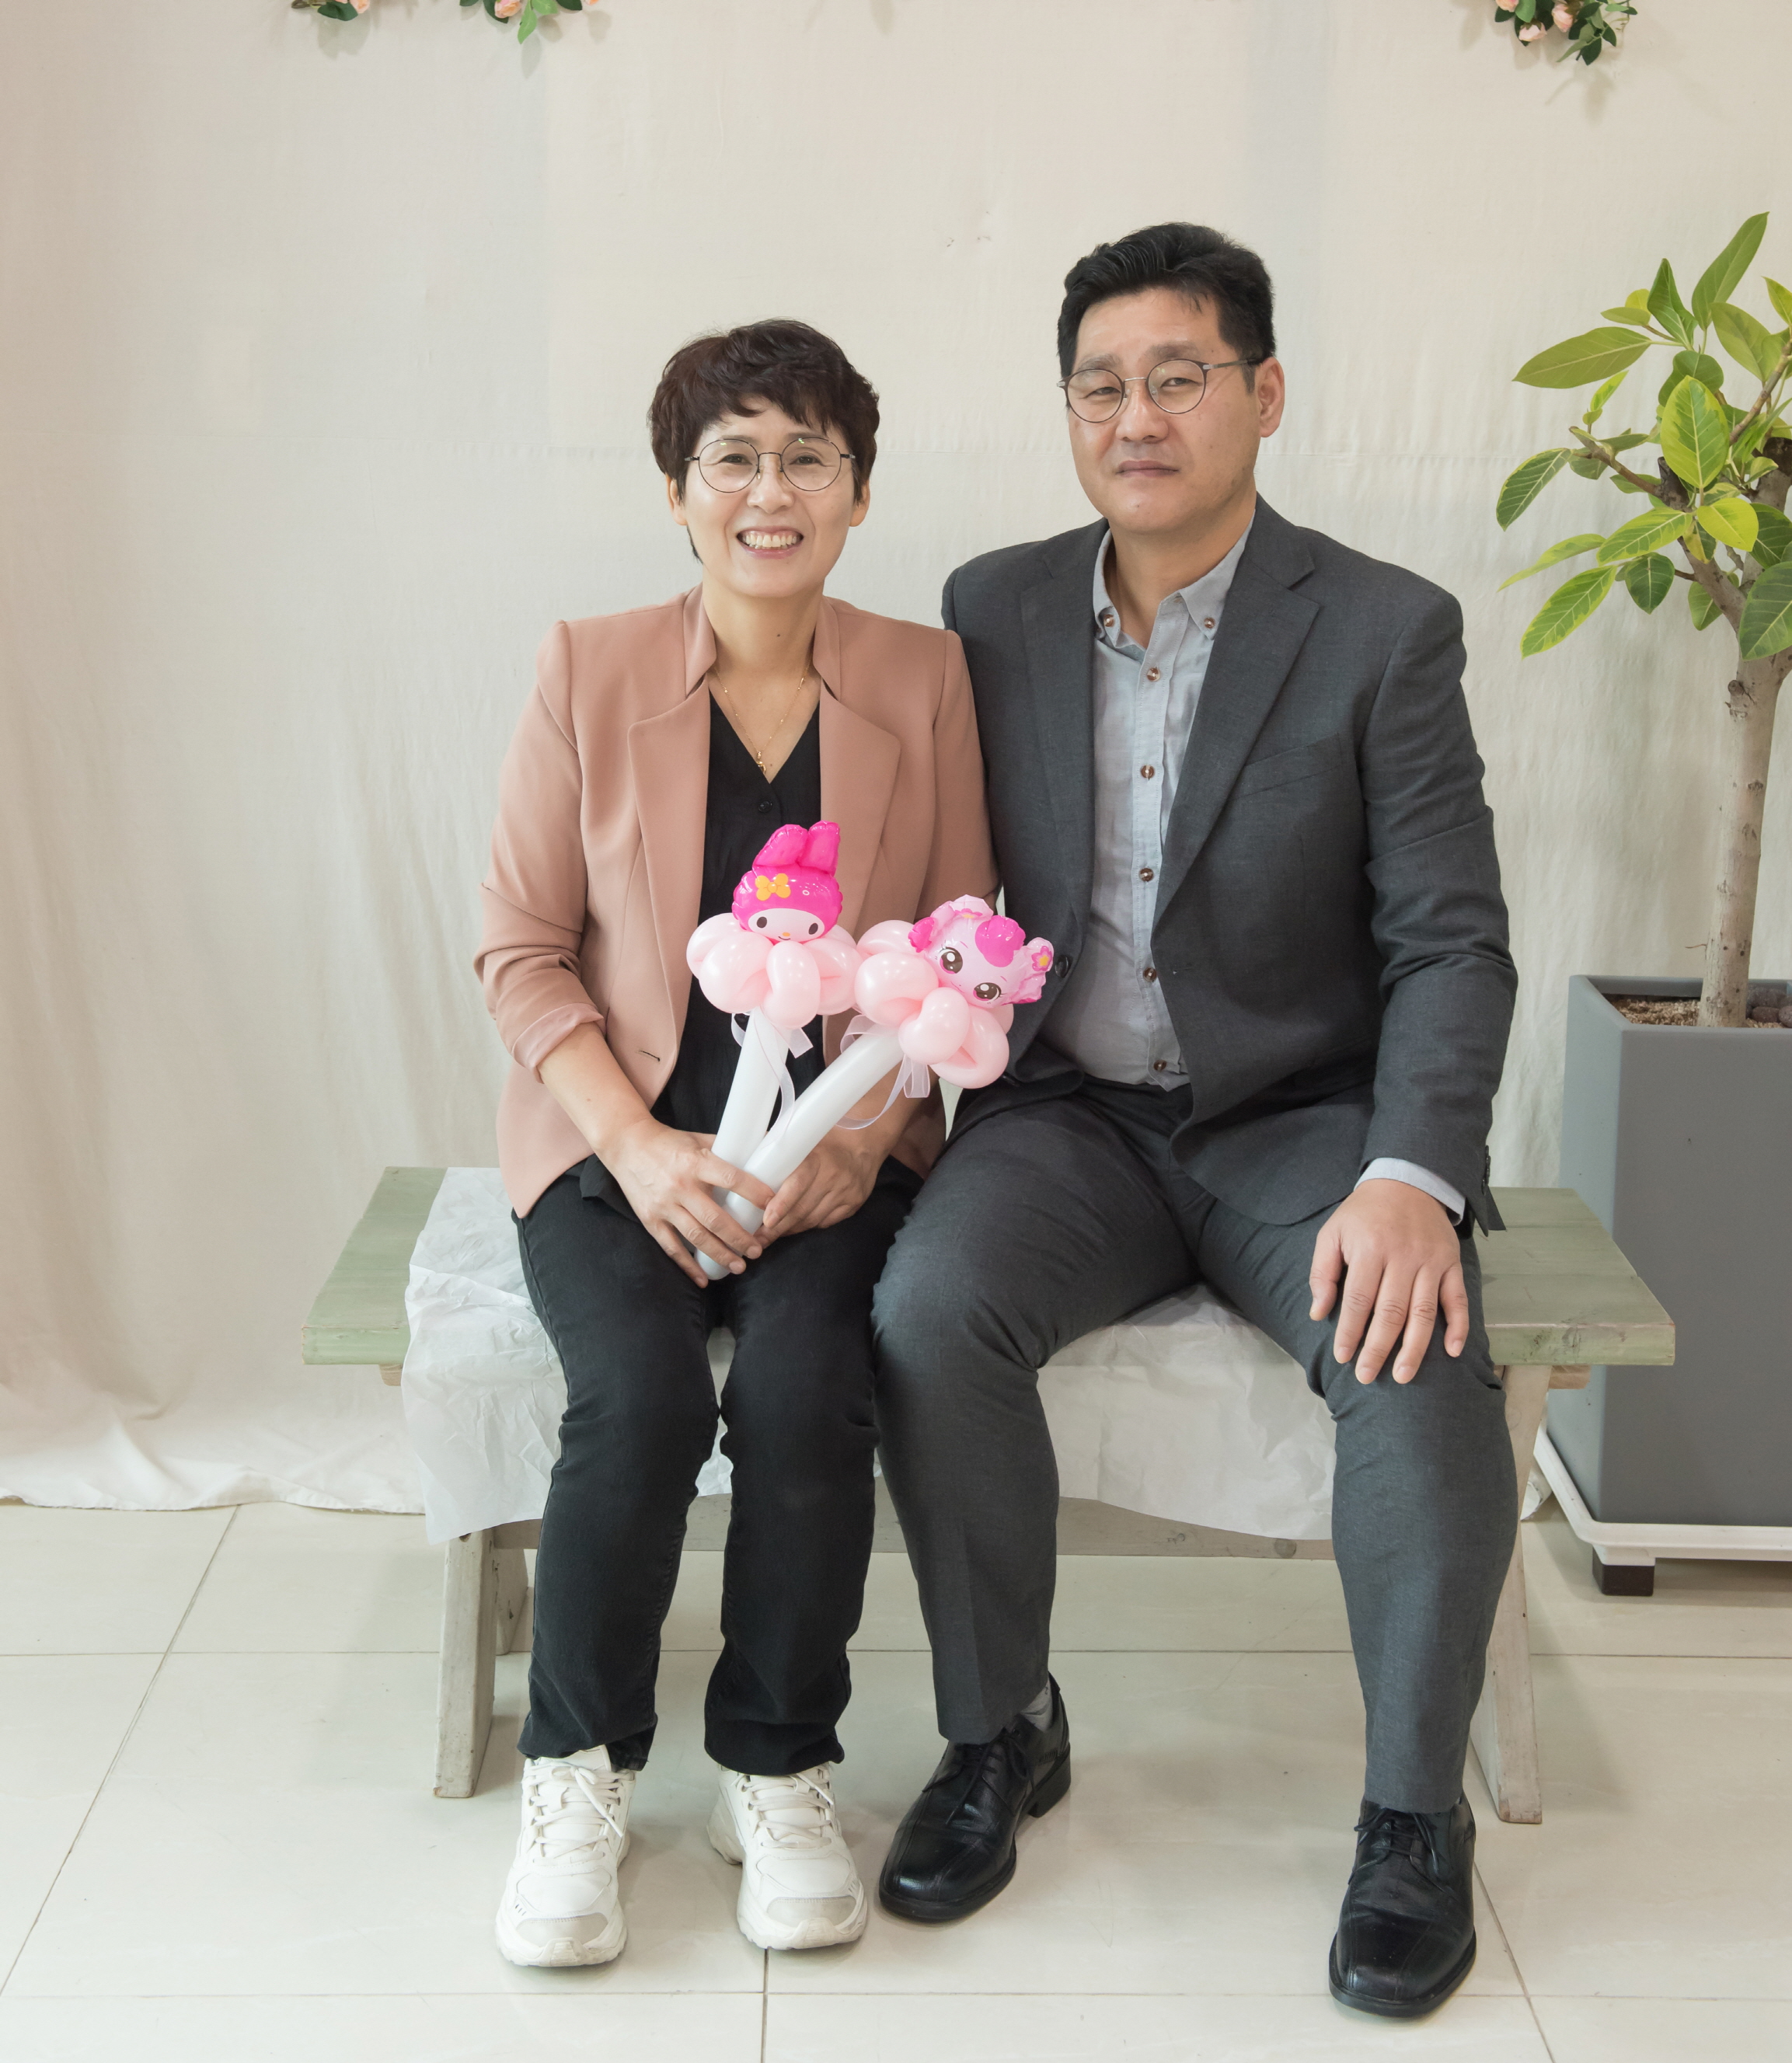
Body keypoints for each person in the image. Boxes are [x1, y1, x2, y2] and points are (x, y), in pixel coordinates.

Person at [870, 222, 1518, 2022]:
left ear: (1263, 393)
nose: (1133, 416)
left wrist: (1411, 1175)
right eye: (1099, 384)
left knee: (1413, 1351)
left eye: (1176, 377)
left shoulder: (1381, 627)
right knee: (927, 1312)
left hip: (1300, 1123)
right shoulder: (990, 604)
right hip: (1066, 1117)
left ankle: (1412, 1815)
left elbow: (1451, 939)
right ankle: (1000, 1725)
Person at [476, 318, 995, 1971]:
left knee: (804, 1388)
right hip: (617, 1145)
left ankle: (776, 1768)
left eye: (808, 459)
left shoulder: (922, 676)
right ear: (678, 490)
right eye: (734, 458)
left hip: (826, 1154)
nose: (771, 492)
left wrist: (871, 1133)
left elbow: (959, 948)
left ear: (857, 492)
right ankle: (576, 1774)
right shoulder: (587, 667)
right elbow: (519, 949)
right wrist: (635, 1147)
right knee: (635, 1396)